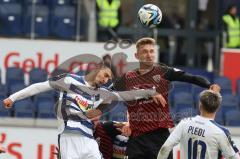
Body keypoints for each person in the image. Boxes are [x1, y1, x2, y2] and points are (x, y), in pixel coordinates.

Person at [3, 65, 159, 159]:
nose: (106, 80)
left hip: (88, 140)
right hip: (68, 138)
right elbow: (39, 86)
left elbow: (124, 95)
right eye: (105, 75)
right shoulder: (69, 80)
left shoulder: (102, 94)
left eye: (108, 79)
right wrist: (13, 97)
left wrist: (150, 93)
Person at [109, 37, 220, 159]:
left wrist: (209, 85)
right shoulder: (127, 77)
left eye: (151, 51)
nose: (149, 55)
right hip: (137, 139)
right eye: (144, 51)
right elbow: (109, 94)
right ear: (136, 55)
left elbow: (191, 78)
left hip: (160, 136)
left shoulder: (164, 72)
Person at [157, 88, 240, 159]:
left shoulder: (184, 123)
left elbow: (166, 147)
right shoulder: (221, 132)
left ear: (200, 105)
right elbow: (234, 157)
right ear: (218, 108)